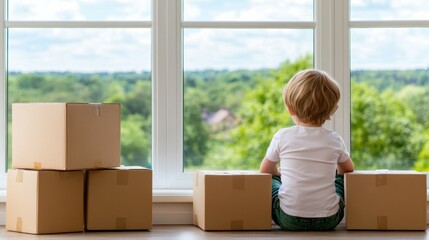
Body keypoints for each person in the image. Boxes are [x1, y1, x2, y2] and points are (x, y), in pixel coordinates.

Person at [259, 69, 354, 231]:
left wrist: (281, 174)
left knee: (271, 181)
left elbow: (265, 170)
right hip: (329, 219)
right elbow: (348, 169)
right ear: (332, 110)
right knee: (340, 179)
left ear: (290, 109)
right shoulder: (335, 139)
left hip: (288, 218)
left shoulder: (283, 136)